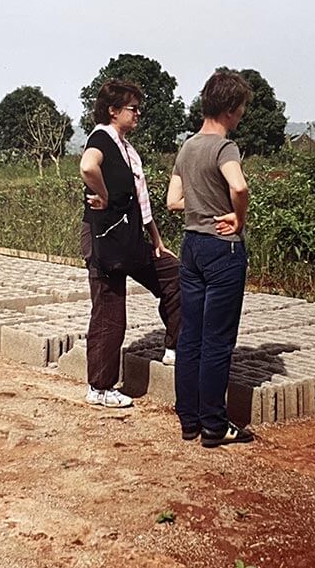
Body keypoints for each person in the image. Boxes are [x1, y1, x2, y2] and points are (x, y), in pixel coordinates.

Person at [79, 79, 181, 408]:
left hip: (132, 238)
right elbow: (87, 166)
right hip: (104, 240)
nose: (138, 114)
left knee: (175, 275)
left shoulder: (126, 147)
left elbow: (142, 201)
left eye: (139, 108)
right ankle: (100, 388)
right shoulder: (101, 138)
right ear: (113, 111)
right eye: (132, 108)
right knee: (110, 312)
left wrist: (157, 241)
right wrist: (105, 196)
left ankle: (175, 346)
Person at [166, 70, 254, 447]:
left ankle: (189, 420)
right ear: (231, 109)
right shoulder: (224, 148)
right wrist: (238, 217)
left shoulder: (187, 147)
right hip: (222, 249)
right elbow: (239, 185)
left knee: (191, 337)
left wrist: (199, 208)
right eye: (242, 109)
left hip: (192, 248)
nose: (242, 116)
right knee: (218, 341)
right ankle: (215, 426)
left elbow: (173, 200)